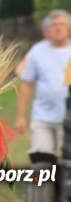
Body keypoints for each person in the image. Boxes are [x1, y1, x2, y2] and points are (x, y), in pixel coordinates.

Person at [16, 9, 71, 161]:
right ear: (47, 30)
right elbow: (26, 84)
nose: (58, 28)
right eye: (54, 25)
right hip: (42, 117)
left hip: (67, 119)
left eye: (61, 24)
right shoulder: (37, 51)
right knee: (41, 158)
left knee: (65, 160)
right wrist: (21, 116)